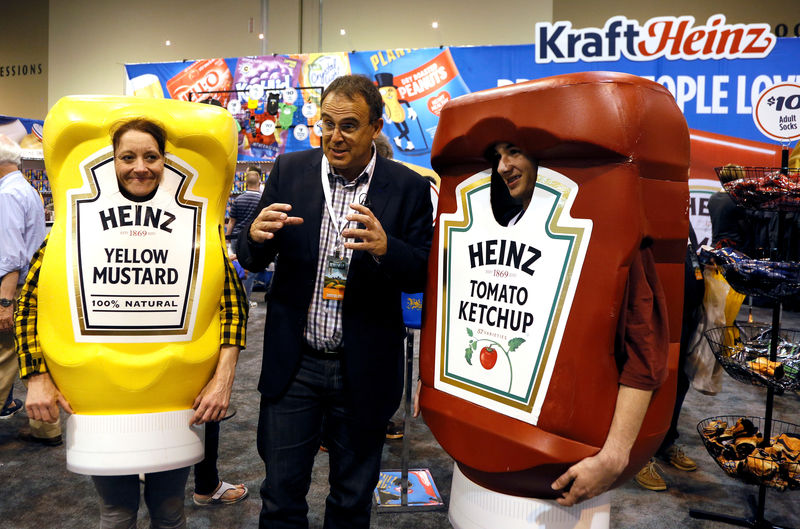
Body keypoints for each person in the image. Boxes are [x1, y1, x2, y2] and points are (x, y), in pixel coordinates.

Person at [16, 118, 248, 528]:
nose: (140, 166)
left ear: (165, 161)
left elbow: (232, 304)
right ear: (111, 161)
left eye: (151, 156)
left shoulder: (196, 226)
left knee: (170, 510)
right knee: (117, 513)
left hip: (175, 396)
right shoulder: (70, 228)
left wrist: (223, 377)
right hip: (104, 396)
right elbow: (31, 302)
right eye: (127, 157)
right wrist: (36, 374)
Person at [236, 74, 433, 528]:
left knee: (350, 501)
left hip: (363, 370)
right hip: (295, 367)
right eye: (327, 123)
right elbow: (251, 254)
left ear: (376, 128)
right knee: (281, 498)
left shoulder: (405, 187)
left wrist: (389, 249)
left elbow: (422, 271)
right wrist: (254, 234)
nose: (334, 136)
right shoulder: (289, 172)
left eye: (348, 125)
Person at [483, 142, 669, 506]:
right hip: (499, 447)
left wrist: (614, 456)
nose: (503, 166)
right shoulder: (509, 228)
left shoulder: (613, 236)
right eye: (498, 156)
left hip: (568, 461)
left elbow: (645, 353)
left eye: (516, 151)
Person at [0, 134, 62, 445]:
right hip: (35, 284)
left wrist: (4, 301)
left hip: (15, 287)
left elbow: (10, 254)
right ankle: (46, 427)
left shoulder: (7, 195)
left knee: (4, 356)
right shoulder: (28, 190)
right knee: (33, 354)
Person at [634, 224, 703, 491]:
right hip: (655, 311)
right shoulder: (649, 211)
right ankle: (640, 455)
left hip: (685, 310)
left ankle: (666, 442)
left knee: (678, 381)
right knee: (649, 381)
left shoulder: (683, 219)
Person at [227, 165, 264, 304]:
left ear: (246, 182)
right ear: (259, 181)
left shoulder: (238, 200)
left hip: (237, 238)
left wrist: (227, 239)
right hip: (253, 240)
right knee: (250, 272)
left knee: (237, 270)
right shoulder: (262, 201)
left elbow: (231, 221)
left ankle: (235, 298)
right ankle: (245, 300)